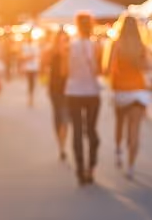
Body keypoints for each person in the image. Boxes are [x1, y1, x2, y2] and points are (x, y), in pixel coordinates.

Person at [108, 15, 151, 180]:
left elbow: (108, 67)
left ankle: (118, 150)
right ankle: (131, 166)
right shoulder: (141, 46)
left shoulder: (116, 44)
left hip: (121, 90)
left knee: (119, 123)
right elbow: (146, 66)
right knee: (135, 130)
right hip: (138, 90)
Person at [65, 13, 103, 186]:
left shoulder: (70, 46)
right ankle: (91, 166)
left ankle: (80, 169)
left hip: (73, 91)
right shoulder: (97, 45)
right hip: (92, 92)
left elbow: (65, 70)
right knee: (92, 130)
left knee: (77, 132)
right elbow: (99, 70)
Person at [47, 30, 70, 161]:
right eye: (60, 40)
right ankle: (60, 145)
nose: (63, 43)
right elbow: (44, 66)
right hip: (55, 89)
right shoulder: (51, 53)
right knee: (57, 117)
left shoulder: (69, 53)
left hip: (67, 89)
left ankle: (63, 145)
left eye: (65, 40)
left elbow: (67, 72)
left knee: (65, 118)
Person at [21, 37, 41, 107]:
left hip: (34, 67)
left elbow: (36, 55)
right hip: (29, 67)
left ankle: (31, 96)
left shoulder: (35, 46)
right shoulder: (25, 46)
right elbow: (24, 56)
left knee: (32, 82)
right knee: (30, 82)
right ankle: (30, 97)